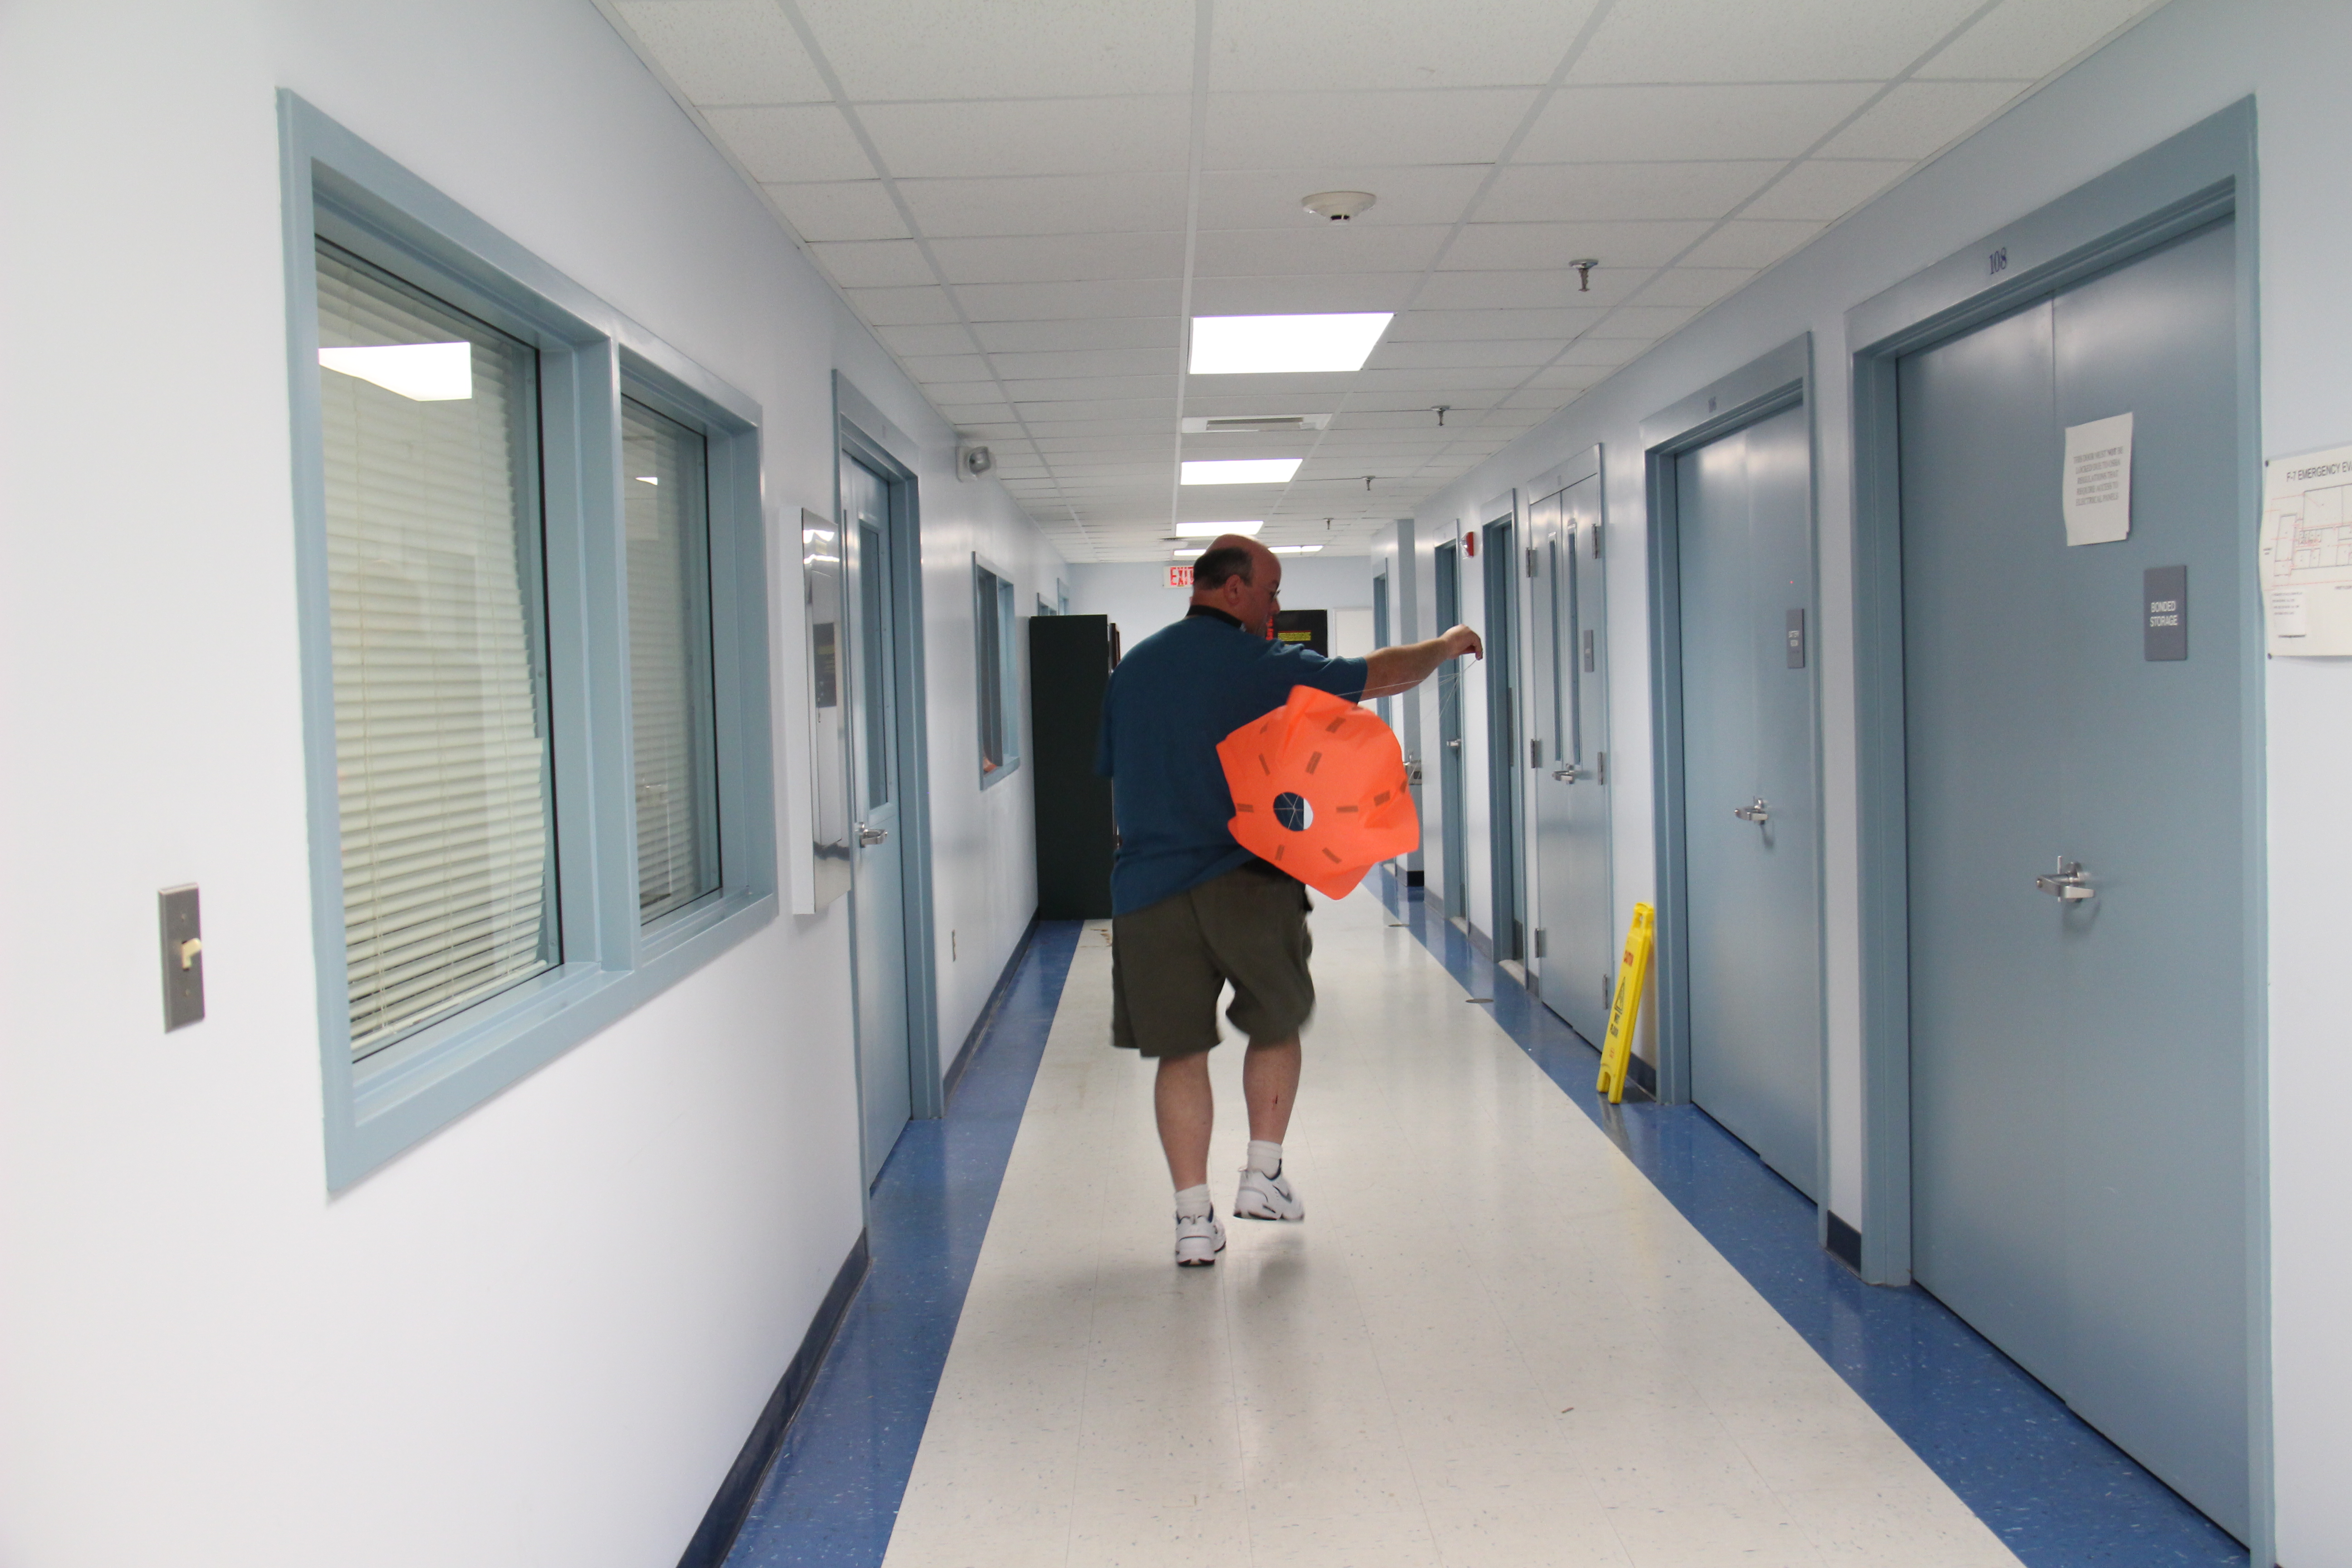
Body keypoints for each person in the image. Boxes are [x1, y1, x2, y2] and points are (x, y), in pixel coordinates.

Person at [1094, 534, 1485, 1264]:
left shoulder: (1134, 669)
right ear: (1234, 589)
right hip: (1249, 882)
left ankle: (1192, 1221)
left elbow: (1119, 776)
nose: (1274, 608)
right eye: (1271, 593)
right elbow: (1382, 675)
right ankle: (1262, 1175)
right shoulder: (1261, 663)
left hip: (1147, 890)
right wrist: (1448, 643)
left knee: (1180, 1052)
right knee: (1274, 1024)